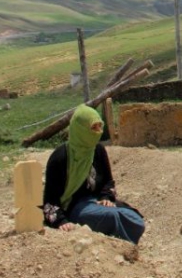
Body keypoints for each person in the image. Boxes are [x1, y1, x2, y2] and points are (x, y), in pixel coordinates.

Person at [43, 104, 145, 244]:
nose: (98, 132)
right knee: (112, 217)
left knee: (136, 220)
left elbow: (108, 181)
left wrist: (106, 197)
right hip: (73, 207)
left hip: (96, 202)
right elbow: (50, 199)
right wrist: (61, 221)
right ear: (81, 129)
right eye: (93, 128)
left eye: (99, 127)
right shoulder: (60, 157)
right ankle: (123, 247)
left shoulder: (98, 150)